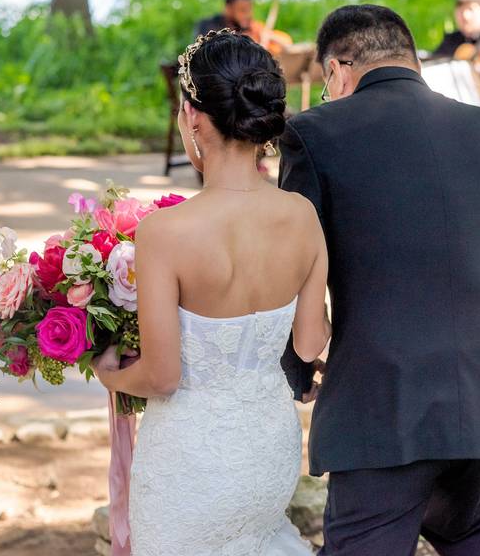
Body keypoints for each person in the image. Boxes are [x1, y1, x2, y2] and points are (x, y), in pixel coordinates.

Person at [279, 4, 480, 555]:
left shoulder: (314, 134)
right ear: (409, 59)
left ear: (337, 69)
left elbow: (295, 262)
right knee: (472, 525)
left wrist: (297, 370)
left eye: (324, 84)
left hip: (383, 401)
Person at [95, 29, 328, 555]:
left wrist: (108, 374)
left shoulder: (165, 232)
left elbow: (162, 374)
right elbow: (311, 344)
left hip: (192, 459)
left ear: (194, 117)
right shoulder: (302, 215)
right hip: (269, 447)